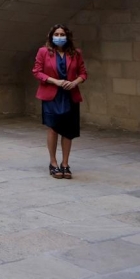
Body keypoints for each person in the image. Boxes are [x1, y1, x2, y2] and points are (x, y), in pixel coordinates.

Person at [32, 24, 87, 179]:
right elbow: (37, 71)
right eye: (57, 34)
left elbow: (83, 73)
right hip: (52, 95)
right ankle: (53, 162)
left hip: (70, 96)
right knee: (53, 128)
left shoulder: (76, 53)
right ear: (51, 36)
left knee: (68, 131)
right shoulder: (44, 52)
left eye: (62, 34)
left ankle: (65, 164)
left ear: (67, 36)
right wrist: (53, 81)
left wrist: (75, 82)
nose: (59, 37)